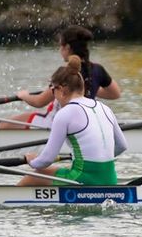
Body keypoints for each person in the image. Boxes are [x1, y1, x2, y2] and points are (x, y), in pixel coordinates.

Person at [19, 56, 127, 187]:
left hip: (83, 179)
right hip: (110, 180)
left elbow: (46, 159)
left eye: (53, 90)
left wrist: (32, 161)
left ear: (62, 90)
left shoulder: (64, 113)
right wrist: (97, 156)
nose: (53, 95)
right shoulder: (105, 108)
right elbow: (122, 146)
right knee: (51, 171)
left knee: (33, 176)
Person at [0, 25, 121, 129]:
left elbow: (39, 102)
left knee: (3, 125)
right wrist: (89, 87)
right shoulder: (98, 70)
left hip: (56, 123)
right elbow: (115, 94)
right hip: (85, 123)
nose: (59, 50)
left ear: (67, 48)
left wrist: (24, 96)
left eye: (60, 46)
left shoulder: (65, 73)